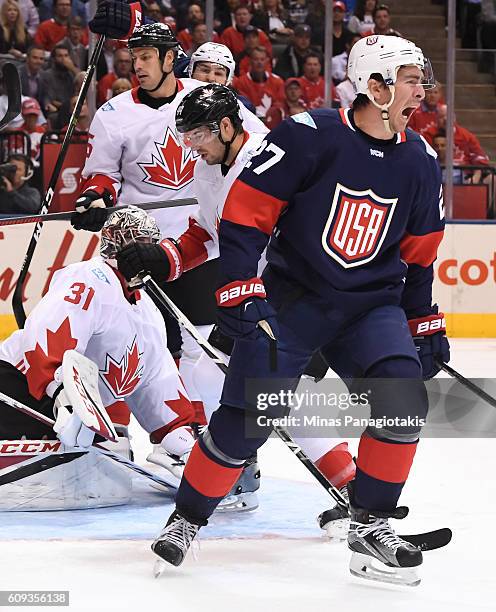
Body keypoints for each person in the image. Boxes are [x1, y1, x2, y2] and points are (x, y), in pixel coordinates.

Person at [149, 35, 450, 587]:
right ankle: (186, 520)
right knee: (245, 420)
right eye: (409, 77)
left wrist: (421, 319)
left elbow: (420, 253)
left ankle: (372, 526)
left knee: (402, 397)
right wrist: (239, 282)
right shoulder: (310, 135)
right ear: (375, 86)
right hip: (292, 301)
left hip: (369, 307)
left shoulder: (421, 160)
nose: (420, 88)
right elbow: (244, 215)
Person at [115, 83, 357, 514]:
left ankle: (342, 486)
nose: (192, 147)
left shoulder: (272, 162)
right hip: (255, 301)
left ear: (227, 127)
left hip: (296, 297)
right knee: (221, 378)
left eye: (199, 136)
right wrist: (161, 256)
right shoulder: (208, 168)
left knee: (261, 391)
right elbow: (207, 234)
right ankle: (267, 472)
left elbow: (316, 236)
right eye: (186, 138)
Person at [71, 22, 268, 442]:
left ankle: (194, 437)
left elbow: (258, 144)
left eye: (145, 57)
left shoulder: (202, 100)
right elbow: (101, 176)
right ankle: (113, 434)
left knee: (198, 351)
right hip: (135, 247)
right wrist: (95, 198)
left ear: (167, 59)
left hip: (197, 244)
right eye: (132, 57)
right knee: (119, 339)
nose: (135, 65)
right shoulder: (113, 114)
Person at [0, 206, 197, 509]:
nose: (144, 251)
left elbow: (159, 382)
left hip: (62, 413)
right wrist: (63, 398)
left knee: (97, 466)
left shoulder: (149, 312)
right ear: (115, 242)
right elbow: (52, 332)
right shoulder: (89, 277)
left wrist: (183, 441)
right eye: (136, 241)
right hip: (18, 386)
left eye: (149, 243)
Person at [232, 46, 285, 119]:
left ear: (267, 61)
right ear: (250, 61)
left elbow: (280, 105)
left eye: (262, 59)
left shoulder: (278, 81)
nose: (259, 62)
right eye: (256, 59)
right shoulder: (241, 82)